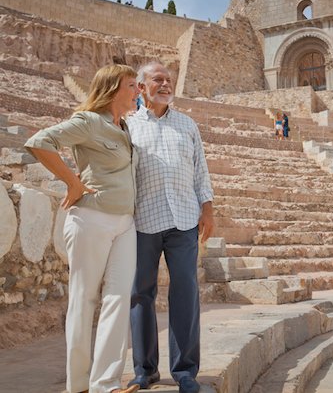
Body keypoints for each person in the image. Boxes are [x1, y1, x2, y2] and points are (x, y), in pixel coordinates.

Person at [24, 65, 140, 393]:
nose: (137, 91)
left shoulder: (126, 127)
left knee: (118, 299)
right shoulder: (88, 122)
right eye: (132, 85)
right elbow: (40, 142)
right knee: (84, 299)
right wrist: (72, 182)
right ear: (113, 88)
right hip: (91, 219)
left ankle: (106, 384)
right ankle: (78, 385)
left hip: (125, 223)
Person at [127, 62, 214, 393]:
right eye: (157, 79)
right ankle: (144, 370)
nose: (165, 84)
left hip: (183, 219)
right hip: (142, 220)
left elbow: (200, 170)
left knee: (186, 292)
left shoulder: (187, 124)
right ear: (141, 86)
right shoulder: (128, 125)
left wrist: (208, 208)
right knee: (140, 295)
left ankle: (185, 371)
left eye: (169, 80)